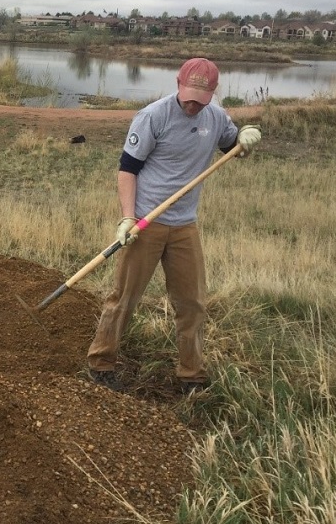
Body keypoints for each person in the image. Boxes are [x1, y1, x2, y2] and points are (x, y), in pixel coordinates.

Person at [86, 58, 261, 394]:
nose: (193, 103)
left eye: (201, 96)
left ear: (212, 92)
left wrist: (245, 139)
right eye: (188, 95)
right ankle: (101, 363)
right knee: (124, 298)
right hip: (146, 223)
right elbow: (127, 170)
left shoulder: (216, 117)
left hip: (184, 225)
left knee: (192, 303)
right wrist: (127, 217)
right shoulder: (154, 115)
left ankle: (191, 375)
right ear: (178, 83)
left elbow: (233, 147)